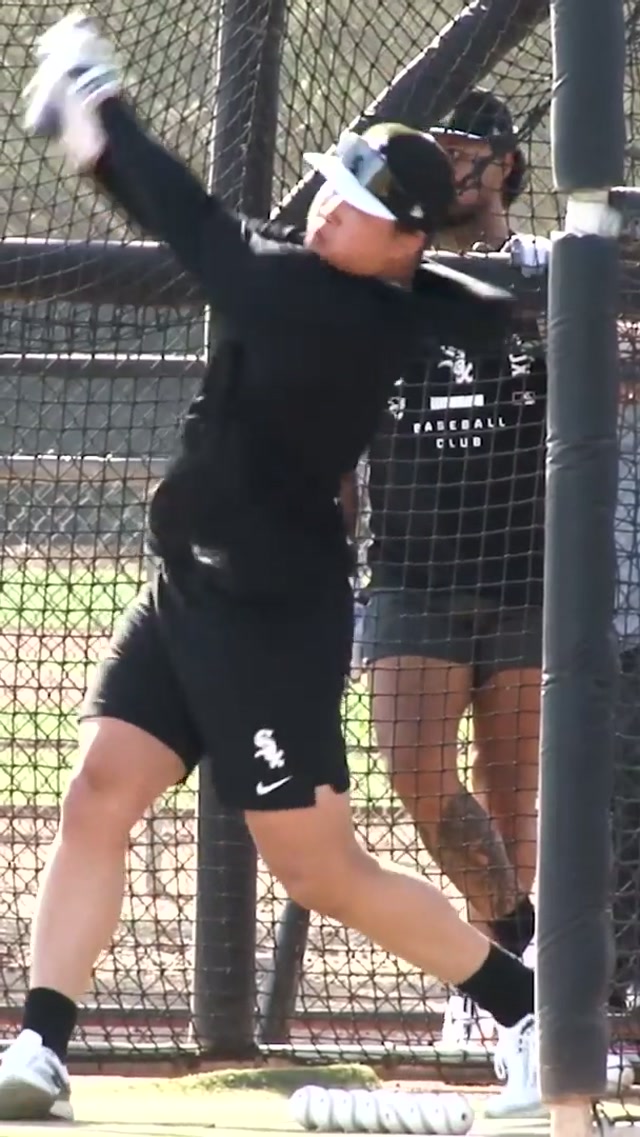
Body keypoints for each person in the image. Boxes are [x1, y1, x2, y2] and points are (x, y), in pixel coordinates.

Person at [0, 17, 541, 1122]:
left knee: (321, 872)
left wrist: (97, 115)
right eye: (333, 189)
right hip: (188, 591)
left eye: (362, 207)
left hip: (268, 619)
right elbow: (436, 292)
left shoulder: (315, 306)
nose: (329, 207)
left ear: (403, 244)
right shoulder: (366, 286)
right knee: (99, 792)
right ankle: (41, 1046)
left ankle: (528, 1013)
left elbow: (188, 222)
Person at [349, 89, 630, 1101]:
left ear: (504, 168)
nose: (446, 173)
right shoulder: (390, 274)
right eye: (434, 156)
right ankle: (511, 968)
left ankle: (498, 1012)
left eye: (463, 155)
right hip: (412, 575)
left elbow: (616, 383)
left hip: (527, 578)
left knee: (516, 807)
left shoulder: (548, 275)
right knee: (421, 780)